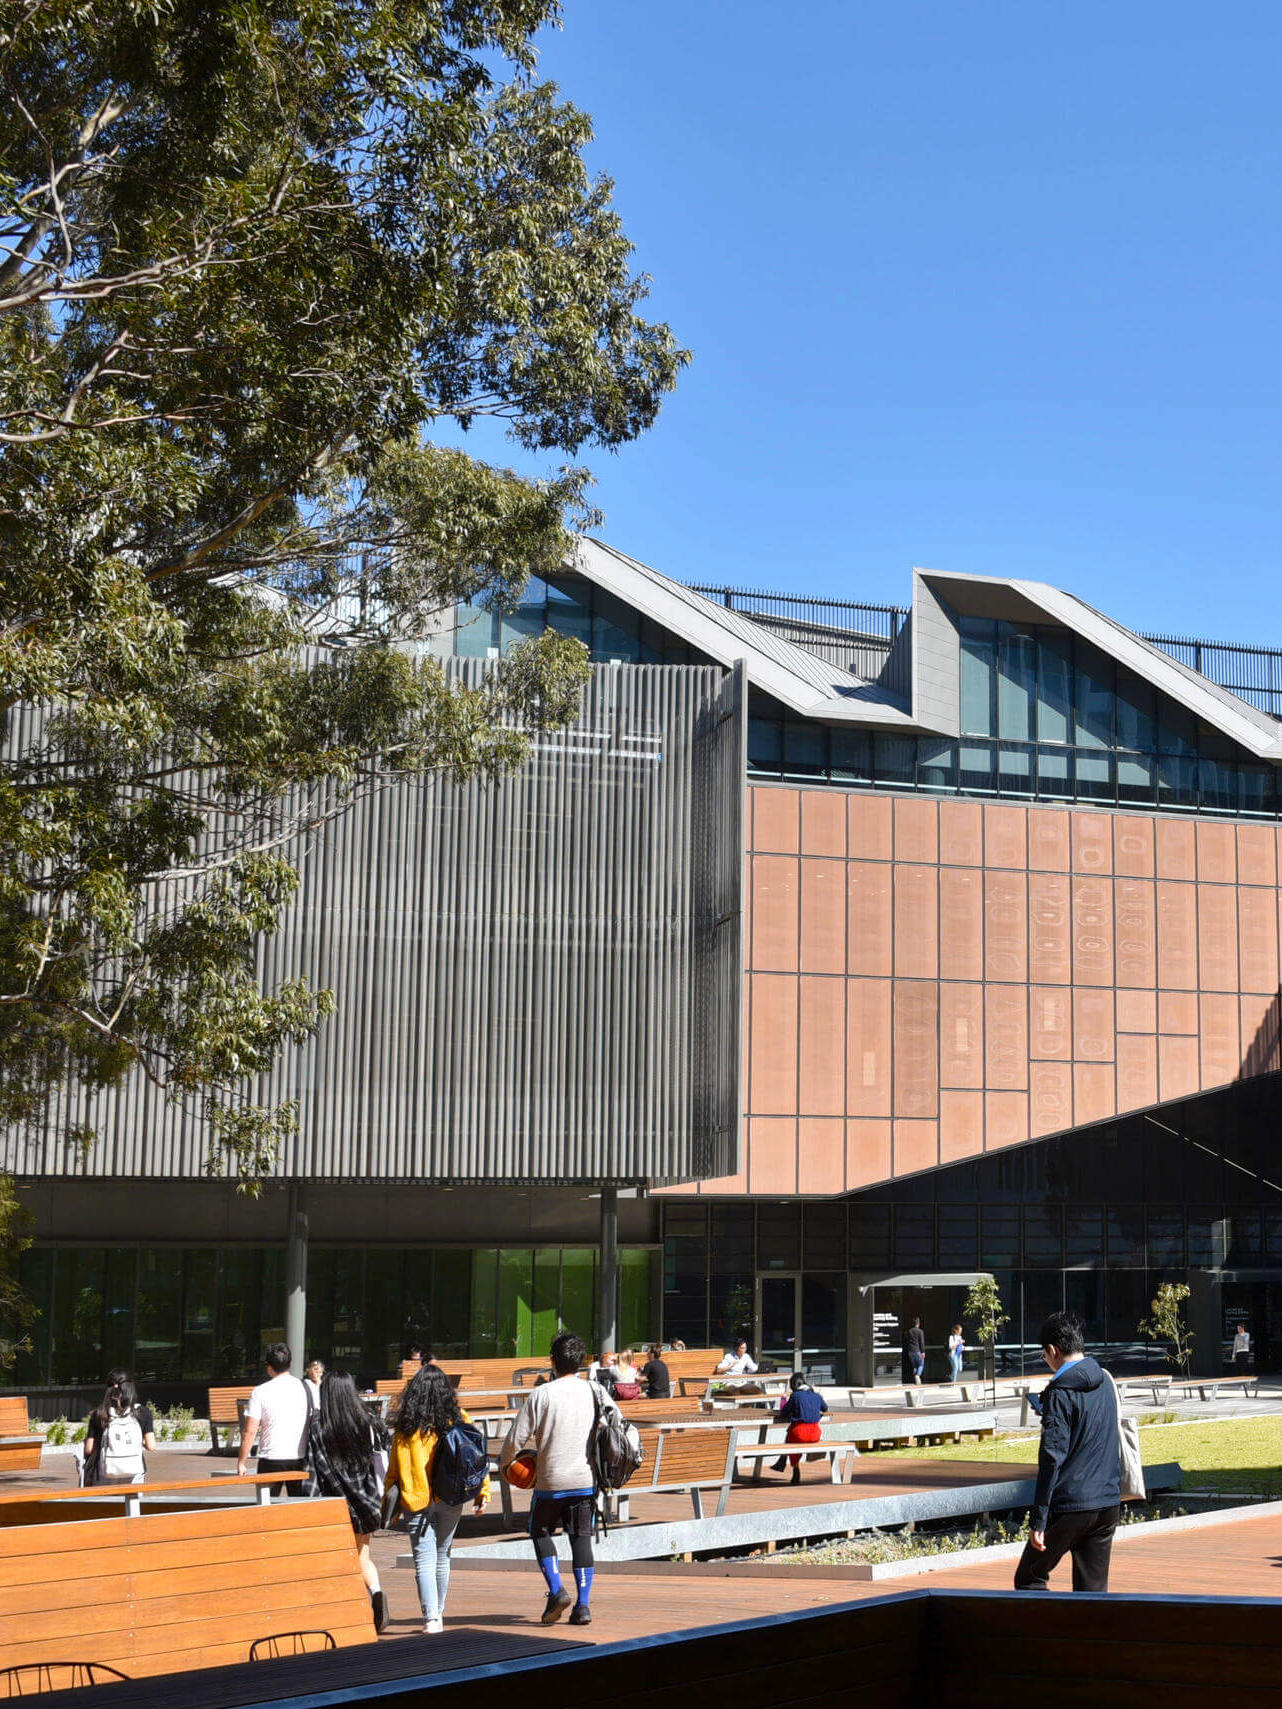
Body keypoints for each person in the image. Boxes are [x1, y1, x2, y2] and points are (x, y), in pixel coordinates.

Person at [500, 1331, 618, 1628]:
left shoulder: (542, 1394)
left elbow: (516, 1439)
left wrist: (505, 1465)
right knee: (581, 1538)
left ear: (553, 1361)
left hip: (550, 1481)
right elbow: (617, 1425)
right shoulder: (595, 1391)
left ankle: (556, 1590)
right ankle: (583, 1605)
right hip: (584, 1479)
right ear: (581, 1362)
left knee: (539, 1531)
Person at [1014, 1311, 1120, 1594]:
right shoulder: (1106, 1380)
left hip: (1072, 1504)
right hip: (1107, 1503)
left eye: (1044, 1355)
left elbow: (1052, 1458)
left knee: (1029, 1578)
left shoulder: (1059, 1392)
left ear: (1052, 1351)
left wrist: (1039, 1520)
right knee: (1093, 1591)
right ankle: (1087, 1638)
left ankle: (1047, 1637)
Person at [387, 1362, 491, 1633]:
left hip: (415, 1499)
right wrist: (483, 1490)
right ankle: (438, 1614)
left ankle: (431, 1618)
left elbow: (394, 1469)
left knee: (424, 1559)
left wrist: (390, 1505)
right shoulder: (459, 1419)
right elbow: (476, 1459)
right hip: (451, 1497)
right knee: (443, 1555)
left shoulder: (406, 1427)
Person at [307, 1369, 388, 1631]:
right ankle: (376, 1592)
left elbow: (313, 1467)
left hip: (335, 1503)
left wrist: (309, 1499)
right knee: (362, 1554)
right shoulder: (368, 1420)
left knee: (342, 1558)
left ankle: (352, 1609)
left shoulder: (319, 1425)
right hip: (367, 1501)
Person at [237, 1341, 310, 1495]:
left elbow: (250, 1432)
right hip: (300, 1456)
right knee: (300, 1508)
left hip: (271, 1457)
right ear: (290, 1363)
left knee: (267, 1507)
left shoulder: (260, 1392)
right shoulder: (306, 1388)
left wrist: (242, 1462)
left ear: (269, 1367)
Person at [82, 1369, 156, 1487]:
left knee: (105, 1505)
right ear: (130, 1388)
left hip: (105, 1470)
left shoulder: (99, 1413)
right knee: (132, 1504)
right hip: (134, 1470)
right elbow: (151, 1446)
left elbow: (89, 1449)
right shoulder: (142, 1412)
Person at [769, 1373, 829, 1485]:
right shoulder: (816, 1395)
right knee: (791, 1435)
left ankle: (794, 1468)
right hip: (815, 1432)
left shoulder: (795, 1396)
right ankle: (781, 1462)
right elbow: (825, 1408)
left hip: (799, 1432)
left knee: (791, 1438)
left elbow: (784, 1412)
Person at [904, 1317, 925, 1385]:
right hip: (917, 1350)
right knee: (921, 1365)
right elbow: (921, 1342)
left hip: (910, 1351)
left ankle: (915, 1380)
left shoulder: (909, 1331)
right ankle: (917, 1375)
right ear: (918, 1324)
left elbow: (906, 1341)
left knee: (915, 1366)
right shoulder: (920, 1331)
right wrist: (923, 1352)